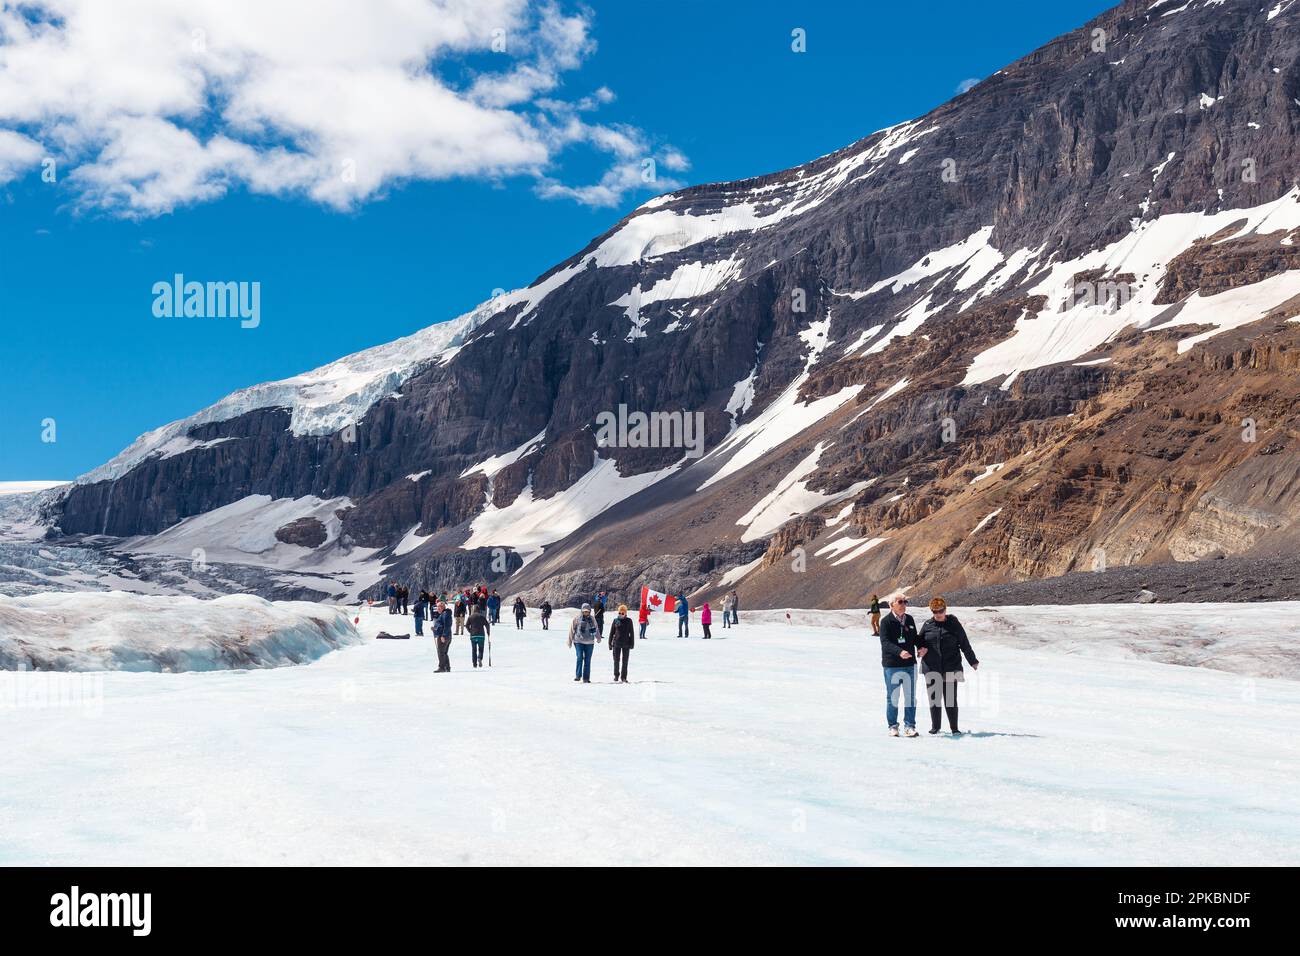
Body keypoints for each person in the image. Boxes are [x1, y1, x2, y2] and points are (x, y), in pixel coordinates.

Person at [918, 597, 979, 736]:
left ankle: (954, 728)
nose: (938, 614)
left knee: (950, 698)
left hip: (951, 666)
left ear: (945, 609)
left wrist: (972, 660)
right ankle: (935, 727)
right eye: (935, 611)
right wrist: (920, 649)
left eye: (941, 610)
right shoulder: (928, 625)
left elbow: (964, 643)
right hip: (931, 666)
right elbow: (919, 641)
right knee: (934, 698)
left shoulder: (954, 624)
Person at [878, 592, 920, 737]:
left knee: (910, 696)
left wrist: (921, 647)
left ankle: (909, 726)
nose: (903, 605)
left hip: (909, 665)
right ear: (891, 605)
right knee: (893, 697)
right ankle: (893, 726)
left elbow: (915, 638)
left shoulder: (909, 619)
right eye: (900, 602)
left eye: (905, 602)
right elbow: (885, 643)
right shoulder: (885, 622)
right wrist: (899, 652)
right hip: (892, 666)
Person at [567, 603, 601, 683]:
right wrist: (570, 641)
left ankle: (586, 678)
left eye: (587, 611)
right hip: (578, 641)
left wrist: (598, 638)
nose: (586, 613)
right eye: (584, 611)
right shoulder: (577, 618)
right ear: (582, 611)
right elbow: (572, 629)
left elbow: (596, 629)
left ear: (590, 611)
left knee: (587, 660)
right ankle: (578, 676)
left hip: (589, 642)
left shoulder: (592, 619)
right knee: (579, 657)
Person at [609, 604, 634, 683]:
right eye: (619, 613)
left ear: (625, 613)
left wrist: (632, 643)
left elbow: (632, 633)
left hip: (626, 643)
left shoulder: (629, 621)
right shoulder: (615, 620)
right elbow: (611, 632)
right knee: (616, 660)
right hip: (616, 643)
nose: (620, 614)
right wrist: (609, 643)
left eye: (622, 613)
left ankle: (624, 677)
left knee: (625, 661)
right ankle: (616, 675)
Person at [466, 602, 490, 668]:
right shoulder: (482, 617)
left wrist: (470, 631)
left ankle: (474, 664)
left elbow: (467, 625)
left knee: (474, 650)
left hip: (473, 635)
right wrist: (488, 632)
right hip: (481, 635)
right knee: (481, 648)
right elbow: (487, 625)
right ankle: (479, 658)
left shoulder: (470, 617)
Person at [432, 600, 454, 672]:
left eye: (438, 607)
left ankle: (442, 667)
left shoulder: (445, 614)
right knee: (444, 652)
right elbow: (441, 625)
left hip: (444, 636)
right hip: (445, 635)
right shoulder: (444, 614)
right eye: (437, 607)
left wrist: (443, 636)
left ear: (442, 607)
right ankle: (447, 667)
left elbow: (447, 625)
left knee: (441, 652)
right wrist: (435, 629)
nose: (437, 609)